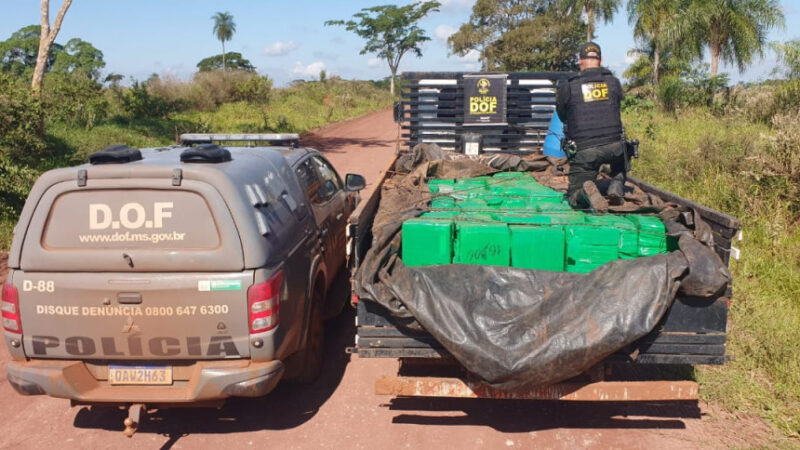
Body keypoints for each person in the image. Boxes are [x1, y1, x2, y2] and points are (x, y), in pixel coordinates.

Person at [556, 42, 626, 211]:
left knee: (573, 195)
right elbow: (616, 106)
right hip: (614, 147)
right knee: (624, 154)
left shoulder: (570, 85)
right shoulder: (613, 82)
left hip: (586, 151)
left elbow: (562, 115)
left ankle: (584, 195)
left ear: (580, 61)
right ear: (600, 60)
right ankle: (616, 184)